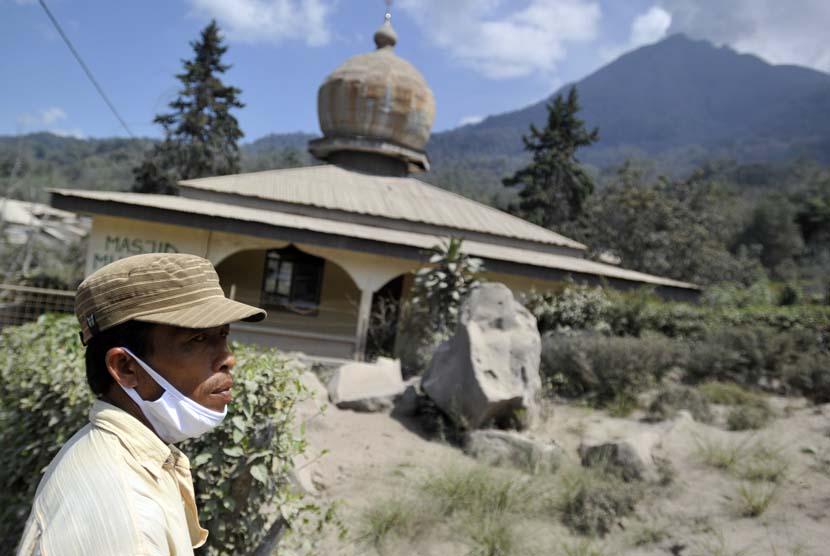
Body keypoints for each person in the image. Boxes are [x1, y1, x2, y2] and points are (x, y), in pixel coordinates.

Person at [16, 253, 266, 556]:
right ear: (125, 368)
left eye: (223, 334)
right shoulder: (132, 519)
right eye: (198, 338)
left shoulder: (125, 456)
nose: (228, 358)